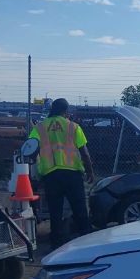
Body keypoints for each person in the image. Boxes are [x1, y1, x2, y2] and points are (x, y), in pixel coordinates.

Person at [28, 98, 95, 248]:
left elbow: (31, 148)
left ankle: (56, 245)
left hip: (51, 175)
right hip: (72, 174)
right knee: (80, 210)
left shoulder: (39, 127)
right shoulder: (73, 127)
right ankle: (87, 242)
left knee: (55, 211)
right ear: (66, 111)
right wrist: (90, 171)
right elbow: (84, 152)